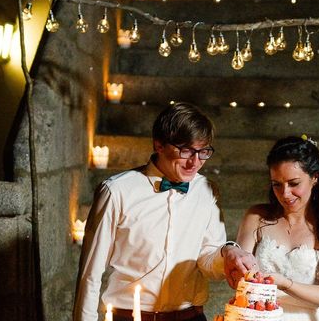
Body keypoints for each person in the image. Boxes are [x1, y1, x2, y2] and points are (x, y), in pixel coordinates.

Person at [74, 102, 255, 321]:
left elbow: (208, 262)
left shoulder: (207, 190)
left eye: (203, 152)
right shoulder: (116, 191)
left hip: (191, 317)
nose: (195, 162)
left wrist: (227, 252)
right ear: (159, 145)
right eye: (186, 150)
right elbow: (90, 274)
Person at [235, 135, 319, 321]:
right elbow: (238, 280)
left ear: (315, 178)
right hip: (257, 316)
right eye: (277, 185)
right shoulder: (256, 217)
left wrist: (284, 284)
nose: (285, 194)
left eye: (294, 183)